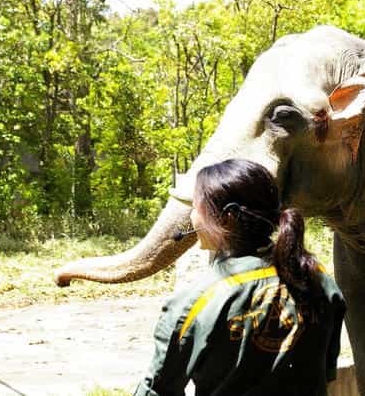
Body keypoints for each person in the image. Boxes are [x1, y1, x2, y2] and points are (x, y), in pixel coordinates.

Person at [134, 159, 346, 396]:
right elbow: (325, 373)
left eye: (196, 207)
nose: (193, 217)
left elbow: (157, 390)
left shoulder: (195, 302)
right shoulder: (319, 281)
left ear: (227, 217)